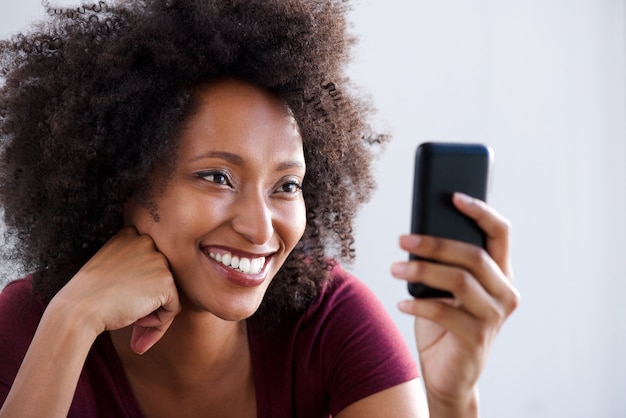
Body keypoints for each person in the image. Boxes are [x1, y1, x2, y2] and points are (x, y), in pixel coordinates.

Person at [0, 0, 519, 417]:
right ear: (121, 182)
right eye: (217, 177)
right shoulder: (32, 323)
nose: (259, 227)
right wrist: (69, 323)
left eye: (287, 184)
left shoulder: (327, 322)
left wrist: (452, 402)